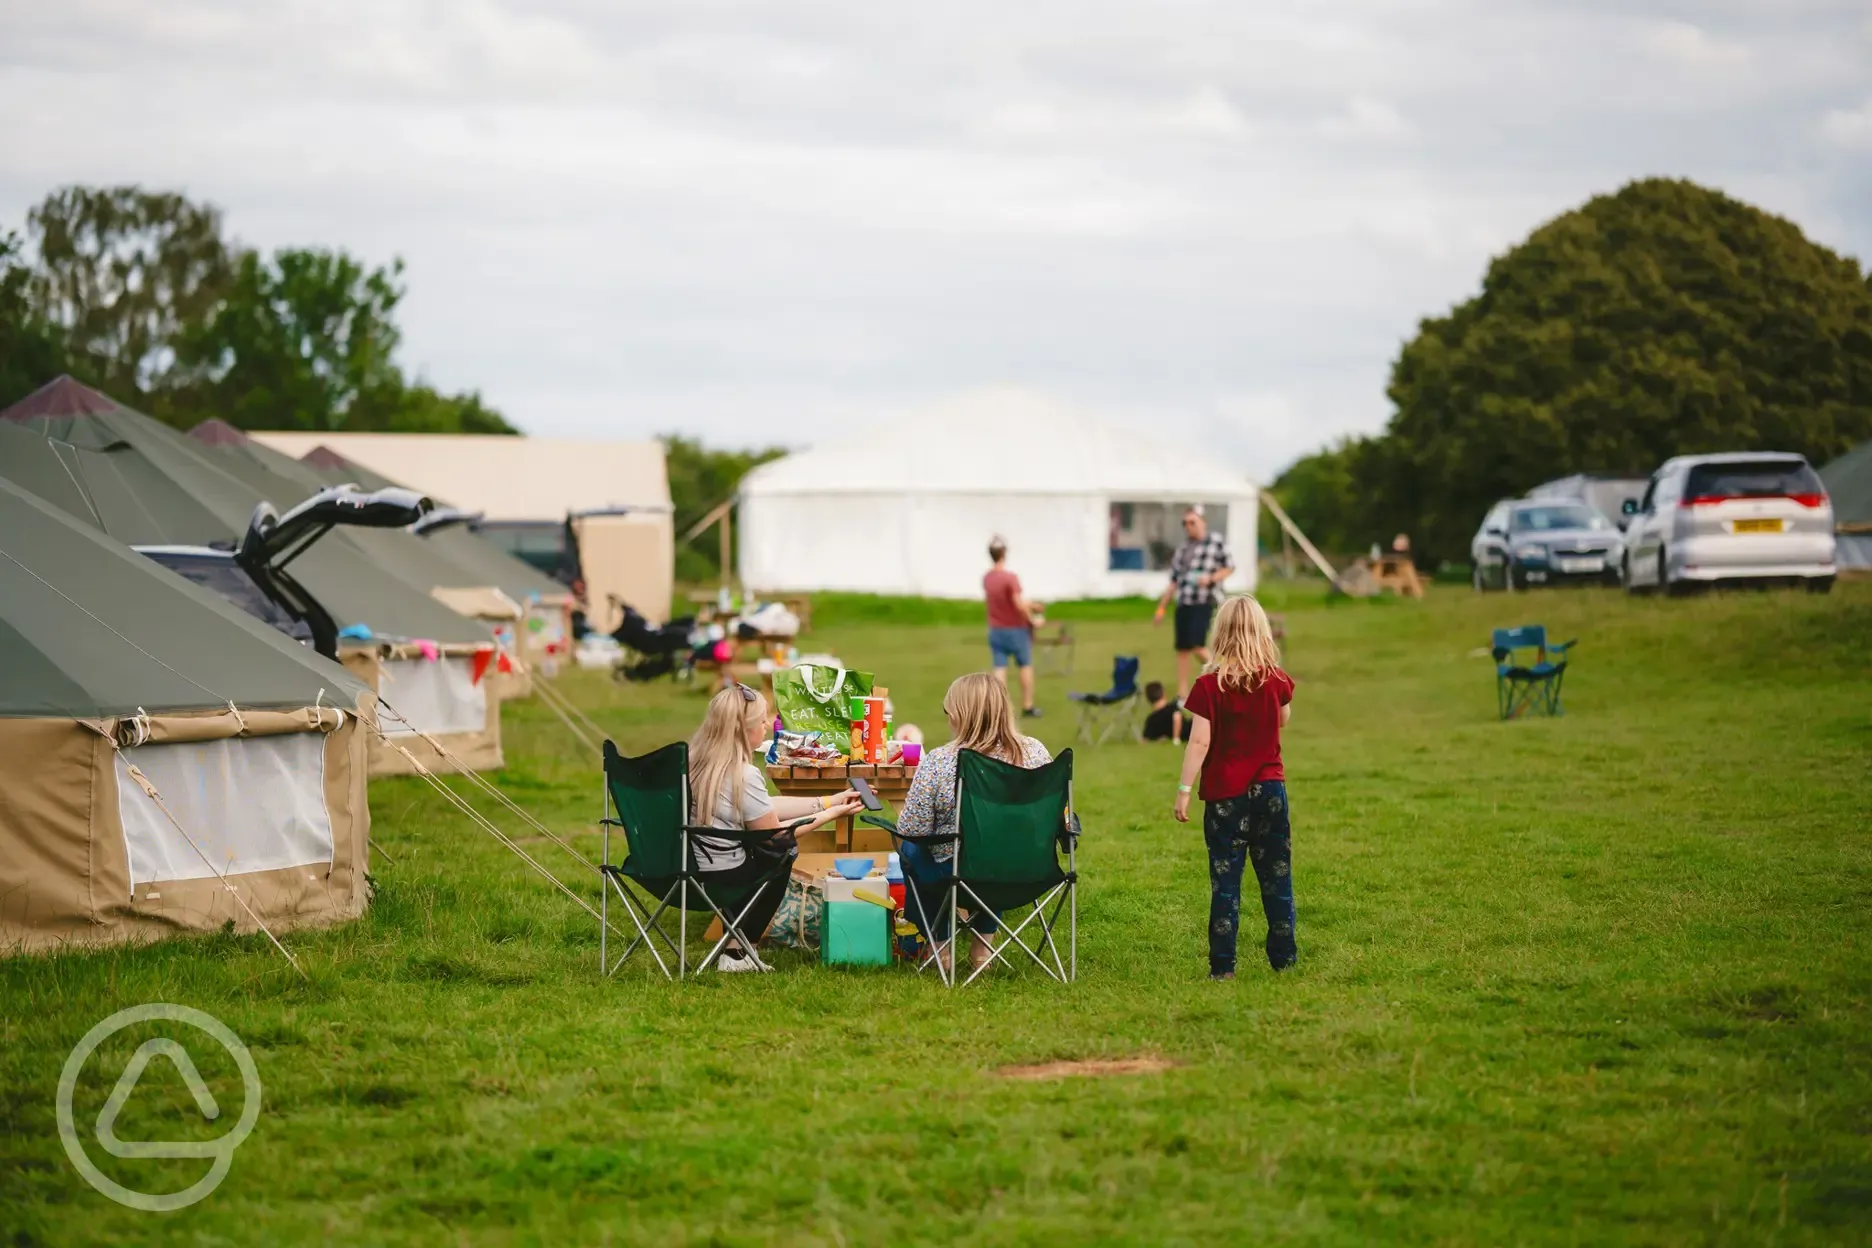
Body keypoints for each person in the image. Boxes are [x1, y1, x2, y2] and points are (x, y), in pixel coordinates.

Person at [689, 683, 862, 972]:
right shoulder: (742, 774)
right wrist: (835, 814)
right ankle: (738, 954)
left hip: (683, 872)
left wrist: (827, 801)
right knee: (781, 855)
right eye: (761, 719)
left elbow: (762, 806)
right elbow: (777, 837)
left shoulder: (694, 763)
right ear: (742, 730)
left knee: (764, 846)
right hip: (723, 879)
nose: (767, 725)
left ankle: (737, 951)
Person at [1171, 595, 1296, 981]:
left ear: (1220, 634)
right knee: (1277, 876)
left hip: (1226, 797)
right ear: (1261, 632)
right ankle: (1283, 958)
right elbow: (1284, 720)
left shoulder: (1208, 686)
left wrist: (1184, 788)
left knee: (1225, 881)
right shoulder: (1276, 680)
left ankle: (1223, 966)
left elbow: (1199, 742)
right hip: (1271, 791)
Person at [894, 672, 1052, 975]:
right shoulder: (1036, 752)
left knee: (911, 850)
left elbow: (912, 829)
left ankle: (940, 947)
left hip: (960, 874)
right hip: (1027, 871)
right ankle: (983, 946)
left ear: (960, 715)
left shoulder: (941, 761)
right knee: (1000, 847)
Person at [1152, 507, 1235, 706]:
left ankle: (1227, 676)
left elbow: (1230, 566)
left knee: (1197, 645)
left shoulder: (1215, 542)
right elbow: (1173, 580)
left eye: (1192, 522)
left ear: (1202, 522)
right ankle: (1182, 695)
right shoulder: (1183, 549)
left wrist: (1211, 578)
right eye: (1185, 523)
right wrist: (1162, 607)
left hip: (1204, 600)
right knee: (1182, 649)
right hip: (1184, 602)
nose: (1189, 527)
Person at [982, 536, 1043, 718]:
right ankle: (1028, 705)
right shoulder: (1010, 578)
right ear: (1004, 553)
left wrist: (1030, 604)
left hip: (996, 628)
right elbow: (1017, 604)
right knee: (1025, 665)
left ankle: (999, 708)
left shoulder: (987, 578)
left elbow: (1005, 601)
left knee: (1000, 668)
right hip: (1015, 629)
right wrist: (1032, 619)